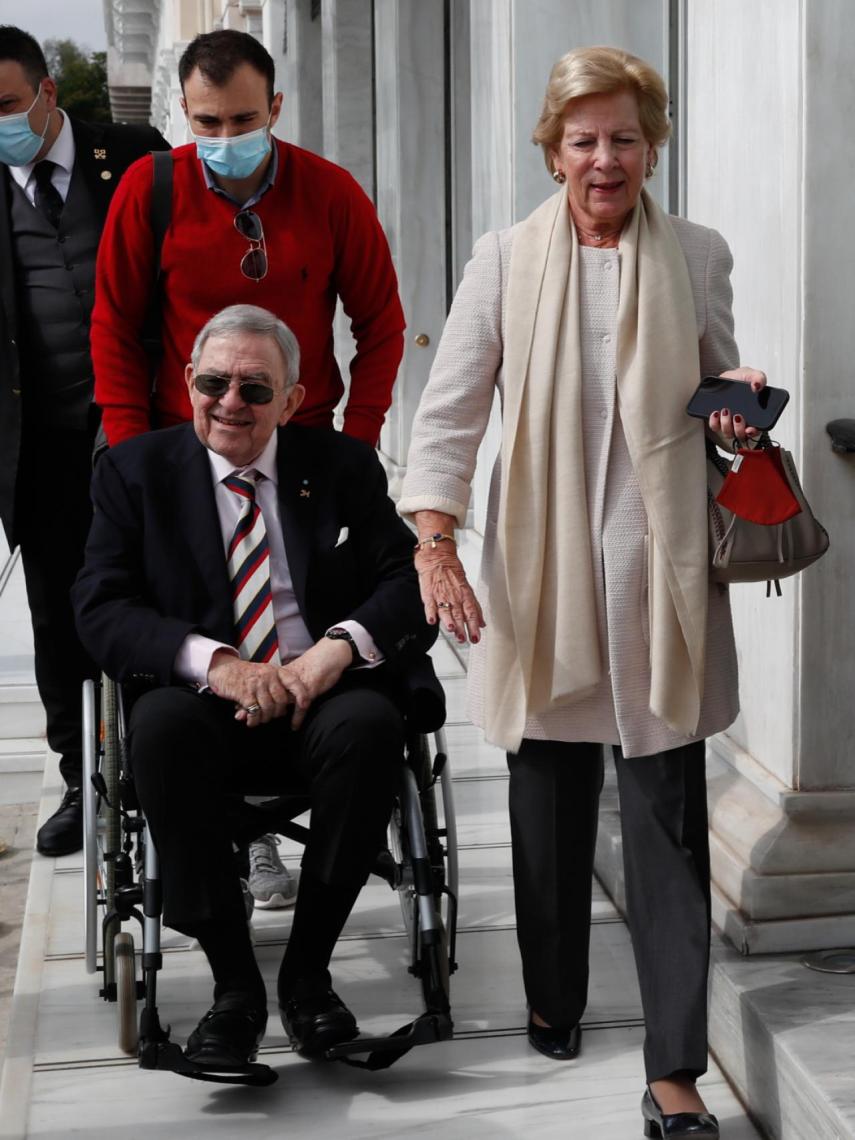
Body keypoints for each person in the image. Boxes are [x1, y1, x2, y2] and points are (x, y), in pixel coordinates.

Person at [398, 46, 766, 1139]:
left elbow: (718, 387)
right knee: (548, 803)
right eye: (583, 139)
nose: (604, 159)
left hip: (659, 577)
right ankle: (554, 996)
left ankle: (672, 1071)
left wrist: (738, 407)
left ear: (653, 146)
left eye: (624, 138)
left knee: (667, 817)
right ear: (553, 149)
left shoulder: (697, 252)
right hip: (542, 571)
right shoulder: (505, 257)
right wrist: (435, 540)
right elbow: (452, 410)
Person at [73, 304, 440, 1072]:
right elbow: (101, 608)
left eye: (253, 388)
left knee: (372, 728)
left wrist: (335, 651)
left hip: (322, 693)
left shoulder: (341, 466)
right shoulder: (133, 473)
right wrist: (216, 663)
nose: (229, 402)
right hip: (202, 699)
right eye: (212, 383)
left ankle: (308, 976)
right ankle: (235, 988)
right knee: (161, 731)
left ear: (293, 399)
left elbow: (407, 583)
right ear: (187, 382)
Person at [0, 25, 169, 857]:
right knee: (60, 615)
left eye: (3, 105)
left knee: (165, 591)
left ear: (46, 93)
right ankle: (85, 781)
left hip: (147, 431)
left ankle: (180, 764)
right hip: (42, 449)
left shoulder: (134, 155)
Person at [90, 28, 405, 450]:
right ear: (184, 110)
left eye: (243, 120)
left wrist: (359, 439)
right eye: (207, 121)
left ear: (275, 108)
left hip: (301, 440)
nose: (226, 138)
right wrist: (131, 450)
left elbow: (381, 323)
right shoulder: (146, 188)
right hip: (181, 440)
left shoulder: (332, 192)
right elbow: (113, 326)